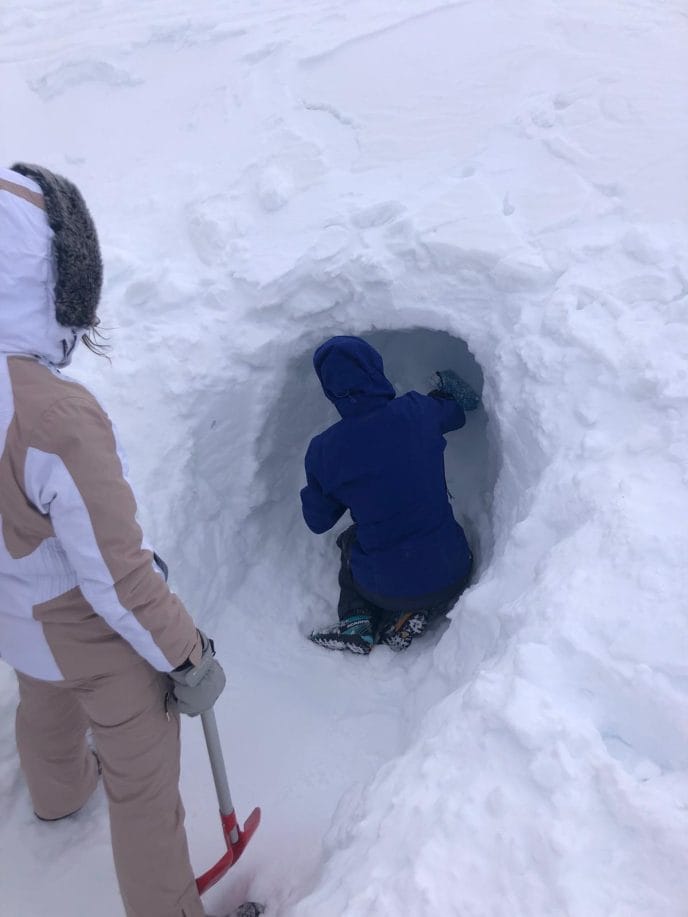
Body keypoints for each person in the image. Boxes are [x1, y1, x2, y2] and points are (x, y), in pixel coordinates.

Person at [0, 164, 226, 917]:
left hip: (16, 622)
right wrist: (185, 650)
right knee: (144, 778)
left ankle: (59, 797)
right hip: (86, 637)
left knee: (44, 706)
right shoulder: (56, 418)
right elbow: (119, 578)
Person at [301, 335, 478, 654]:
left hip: (384, 587)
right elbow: (456, 411)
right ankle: (415, 610)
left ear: (330, 390)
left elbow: (318, 520)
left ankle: (357, 621)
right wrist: (440, 397)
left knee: (351, 542)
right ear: (375, 371)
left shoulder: (325, 451)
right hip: (455, 566)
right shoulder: (418, 410)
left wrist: (326, 481)